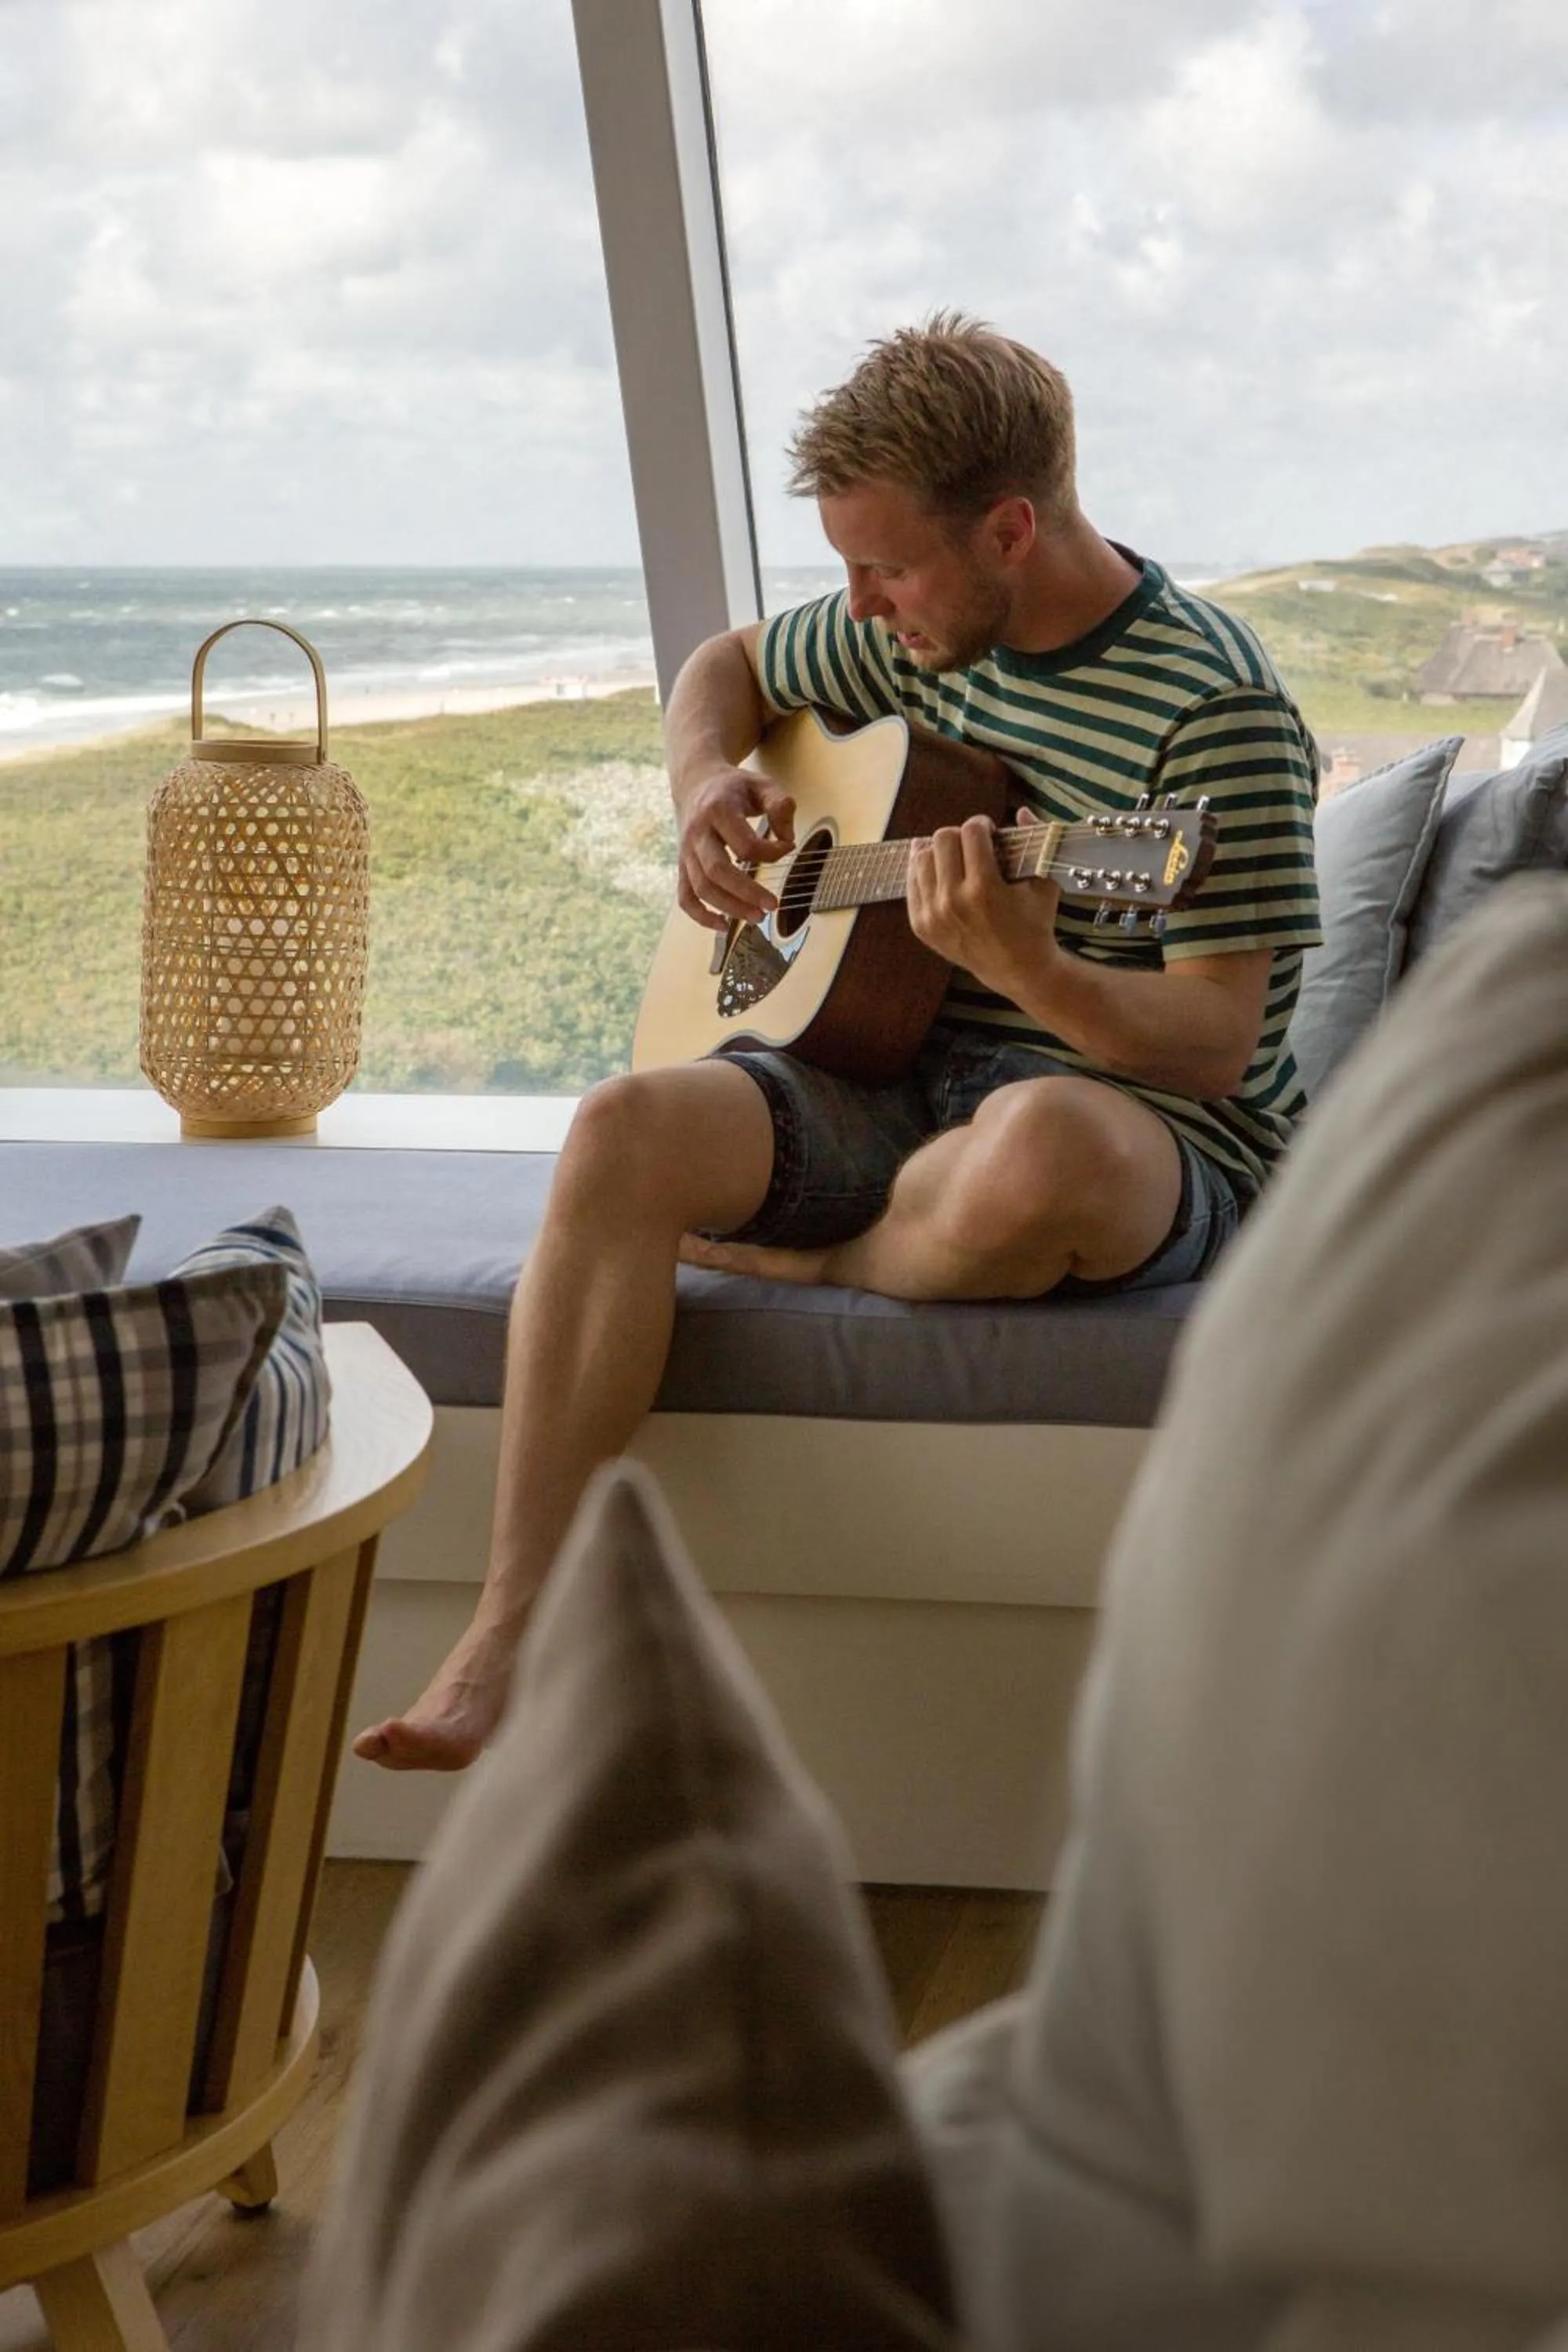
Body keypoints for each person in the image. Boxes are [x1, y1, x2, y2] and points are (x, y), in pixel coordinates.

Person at [353, 310, 1321, 1773]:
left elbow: (1211, 1043)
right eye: (845, 569)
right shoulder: (911, 636)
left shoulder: (1218, 711)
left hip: (1138, 1116)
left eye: (884, 567)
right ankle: (506, 1636)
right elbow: (723, 666)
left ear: (1009, 528)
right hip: (891, 1063)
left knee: (1040, 1148)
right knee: (623, 1129)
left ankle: (792, 1250)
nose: (860, 607)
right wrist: (701, 787)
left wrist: (1028, 964)